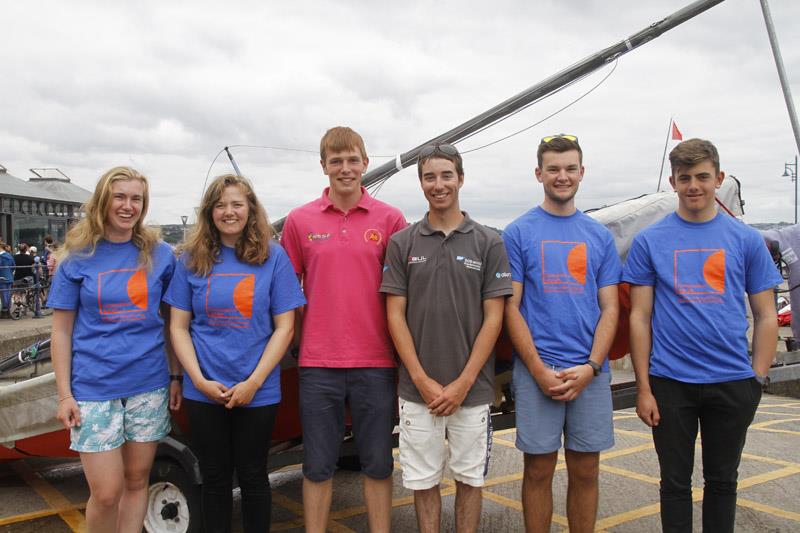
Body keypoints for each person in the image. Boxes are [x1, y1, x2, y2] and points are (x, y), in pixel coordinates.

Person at [624, 138, 781, 533]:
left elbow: (765, 315)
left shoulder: (746, 240)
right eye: (685, 178)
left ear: (719, 178)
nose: (694, 185)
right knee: (674, 485)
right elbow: (639, 318)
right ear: (672, 182)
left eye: (702, 177)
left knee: (723, 483)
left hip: (731, 382)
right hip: (670, 383)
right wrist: (644, 387)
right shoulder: (649, 241)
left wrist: (756, 377)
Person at [380, 143, 512, 533]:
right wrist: (420, 379)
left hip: (471, 390)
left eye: (446, 175)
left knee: (470, 479)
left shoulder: (489, 242)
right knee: (423, 482)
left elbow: (494, 319)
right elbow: (394, 315)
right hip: (416, 389)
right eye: (429, 177)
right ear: (421, 183)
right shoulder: (402, 242)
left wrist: (464, 381)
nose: (438, 185)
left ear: (461, 179)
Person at [280, 126, 406, 533]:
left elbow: (404, 291)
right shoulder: (300, 221)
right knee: (317, 465)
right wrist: (300, 342)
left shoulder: (391, 219)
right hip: (319, 364)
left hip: (376, 361)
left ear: (366, 164)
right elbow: (285, 292)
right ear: (323, 166)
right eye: (336, 161)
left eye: (353, 160)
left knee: (377, 462)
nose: (345, 168)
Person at [166, 174, 305, 532]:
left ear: (250, 209)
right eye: (220, 205)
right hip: (204, 389)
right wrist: (197, 380)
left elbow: (285, 327)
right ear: (210, 212)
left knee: (254, 475)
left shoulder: (273, 257)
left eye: (237, 204)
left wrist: (254, 382)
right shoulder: (192, 259)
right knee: (214, 478)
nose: (229, 212)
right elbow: (178, 327)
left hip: (257, 390)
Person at [47, 166, 181, 533]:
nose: (128, 206)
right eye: (120, 197)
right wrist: (64, 395)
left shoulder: (161, 254)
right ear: (103, 201)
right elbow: (61, 331)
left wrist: (174, 375)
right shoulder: (76, 258)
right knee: (106, 492)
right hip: (94, 387)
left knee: (137, 482)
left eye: (136, 198)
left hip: (148, 384)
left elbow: (172, 322)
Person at [503, 134, 621, 533]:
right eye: (553, 168)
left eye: (570, 168)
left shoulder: (599, 236)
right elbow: (511, 308)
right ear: (539, 173)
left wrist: (591, 366)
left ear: (582, 172)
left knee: (586, 470)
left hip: (589, 373)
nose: (562, 176)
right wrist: (536, 369)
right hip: (538, 371)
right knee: (538, 469)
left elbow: (611, 308)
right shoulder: (517, 233)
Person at [0, 242, 13, 317]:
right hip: (9, 276)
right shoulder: (9, 255)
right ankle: (8, 310)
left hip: (2, 277)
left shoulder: (1, 257)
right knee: (7, 293)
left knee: (4, 294)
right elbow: (13, 265)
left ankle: (5, 310)